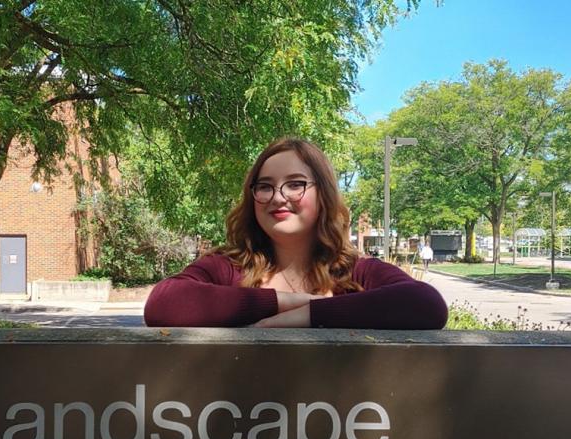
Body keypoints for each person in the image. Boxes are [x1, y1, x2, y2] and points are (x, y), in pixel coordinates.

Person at [144, 137, 448, 329]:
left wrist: (311, 314)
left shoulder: (357, 272)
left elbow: (425, 304)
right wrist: (284, 302)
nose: (278, 197)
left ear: (323, 195)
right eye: (265, 186)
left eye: (295, 184)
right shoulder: (226, 267)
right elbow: (163, 304)